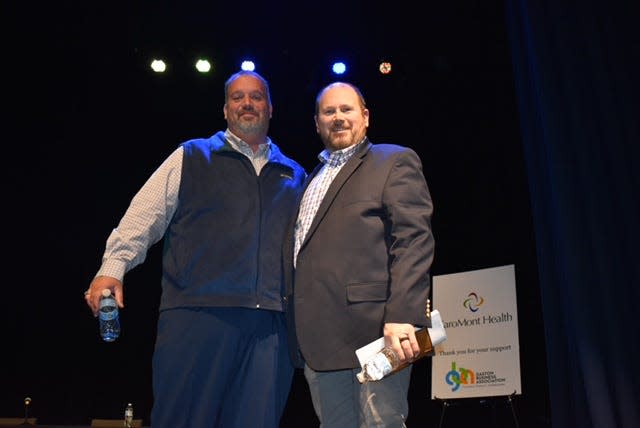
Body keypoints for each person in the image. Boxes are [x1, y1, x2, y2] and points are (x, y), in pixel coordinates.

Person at [84, 70, 306, 428]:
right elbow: (145, 214)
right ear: (225, 109)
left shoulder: (294, 174)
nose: (247, 103)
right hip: (197, 316)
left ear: (270, 108)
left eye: (256, 96)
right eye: (237, 97)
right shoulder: (191, 155)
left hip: (270, 328)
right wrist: (113, 266)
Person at [284, 81, 435, 427]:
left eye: (346, 109)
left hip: (377, 333)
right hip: (320, 341)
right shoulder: (310, 178)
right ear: (317, 122)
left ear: (365, 116)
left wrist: (403, 315)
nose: (338, 117)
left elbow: (413, 241)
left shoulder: (393, 161)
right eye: (329, 111)